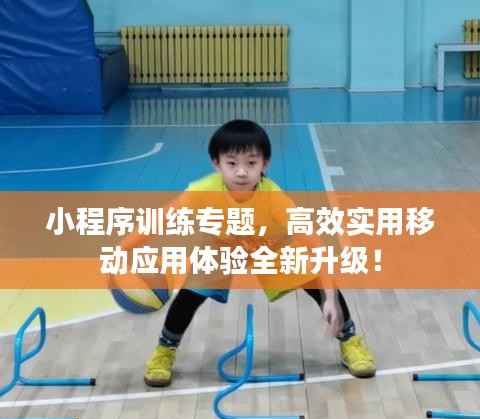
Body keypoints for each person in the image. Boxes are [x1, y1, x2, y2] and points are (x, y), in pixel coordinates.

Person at [143, 119, 376, 387]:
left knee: (318, 281)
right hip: (223, 247)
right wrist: (123, 251)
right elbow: (159, 220)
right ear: (216, 163)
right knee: (190, 293)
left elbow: (316, 246)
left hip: (271, 247)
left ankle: (349, 340)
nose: (242, 172)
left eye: (251, 163)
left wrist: (331, 298)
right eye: (232, 163)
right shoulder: (203, 190)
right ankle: (164, 350)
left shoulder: (274, 197)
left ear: (265, 164)